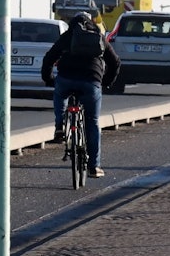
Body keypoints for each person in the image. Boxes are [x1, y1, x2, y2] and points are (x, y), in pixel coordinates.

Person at [42, 11, 121, 178]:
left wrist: (49, 79)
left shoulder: (68, 36)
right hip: (91, 82)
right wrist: (105, 81)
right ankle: (94, 166)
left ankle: (59, 126)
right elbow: (115, 62)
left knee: (60, 94)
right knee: (92, 121)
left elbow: (49, 57)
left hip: (66, 79)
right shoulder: (98, 37)